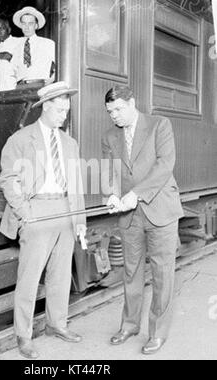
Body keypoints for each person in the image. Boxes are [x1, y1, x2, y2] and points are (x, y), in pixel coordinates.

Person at [0, 81, 87, 359]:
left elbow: (76, 184)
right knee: (29, 278)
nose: (64, 115)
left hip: (64, 210)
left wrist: (80, 220)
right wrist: (25, 213)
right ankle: (23, 336)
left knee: (61, 275)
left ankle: (56, 324)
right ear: (45, 107)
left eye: (67, 110)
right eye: (60, 110)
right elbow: (9, 179)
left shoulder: (69, 143)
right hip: (36, 211)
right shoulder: (21, 139)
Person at [102, 85, 184, 355]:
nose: (114, 115)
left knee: (162, 274)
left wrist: (135, 195)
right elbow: (111, 173)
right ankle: (129, 325)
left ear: (132, 102)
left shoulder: (160, 125)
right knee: (131, 271)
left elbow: (165, 165)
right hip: (129, 215)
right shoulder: (110, 136)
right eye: (110, 111)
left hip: (159, 210)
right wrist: (113, 195)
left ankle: (158, 332)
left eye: (118, 109)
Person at [12, 6, 56, 84]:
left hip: (41, 86)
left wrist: (50, 80)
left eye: (30, 23)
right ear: (21, 25)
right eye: (24, 23)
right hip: (21, 89)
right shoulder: (16, 47)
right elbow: (13, 71)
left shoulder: (48, 44)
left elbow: (60, 66)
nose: (27, 27)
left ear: (36, 25)